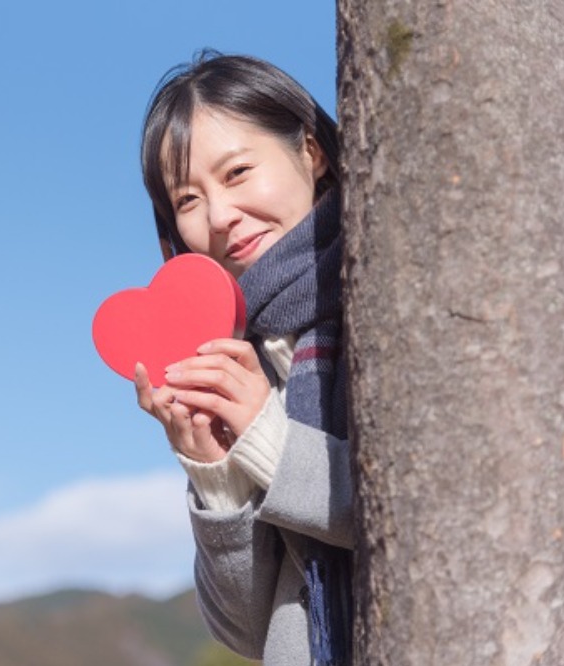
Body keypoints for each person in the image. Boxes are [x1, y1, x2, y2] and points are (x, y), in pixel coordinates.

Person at [133, 52, 354, 666]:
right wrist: (218, 473)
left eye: (237, 173)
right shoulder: (235, 358)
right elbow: (252, 633)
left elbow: (426, 506)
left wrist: (269, 437)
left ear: (312, 151)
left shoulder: (388, 293)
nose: (220, 217)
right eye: (187, 200)